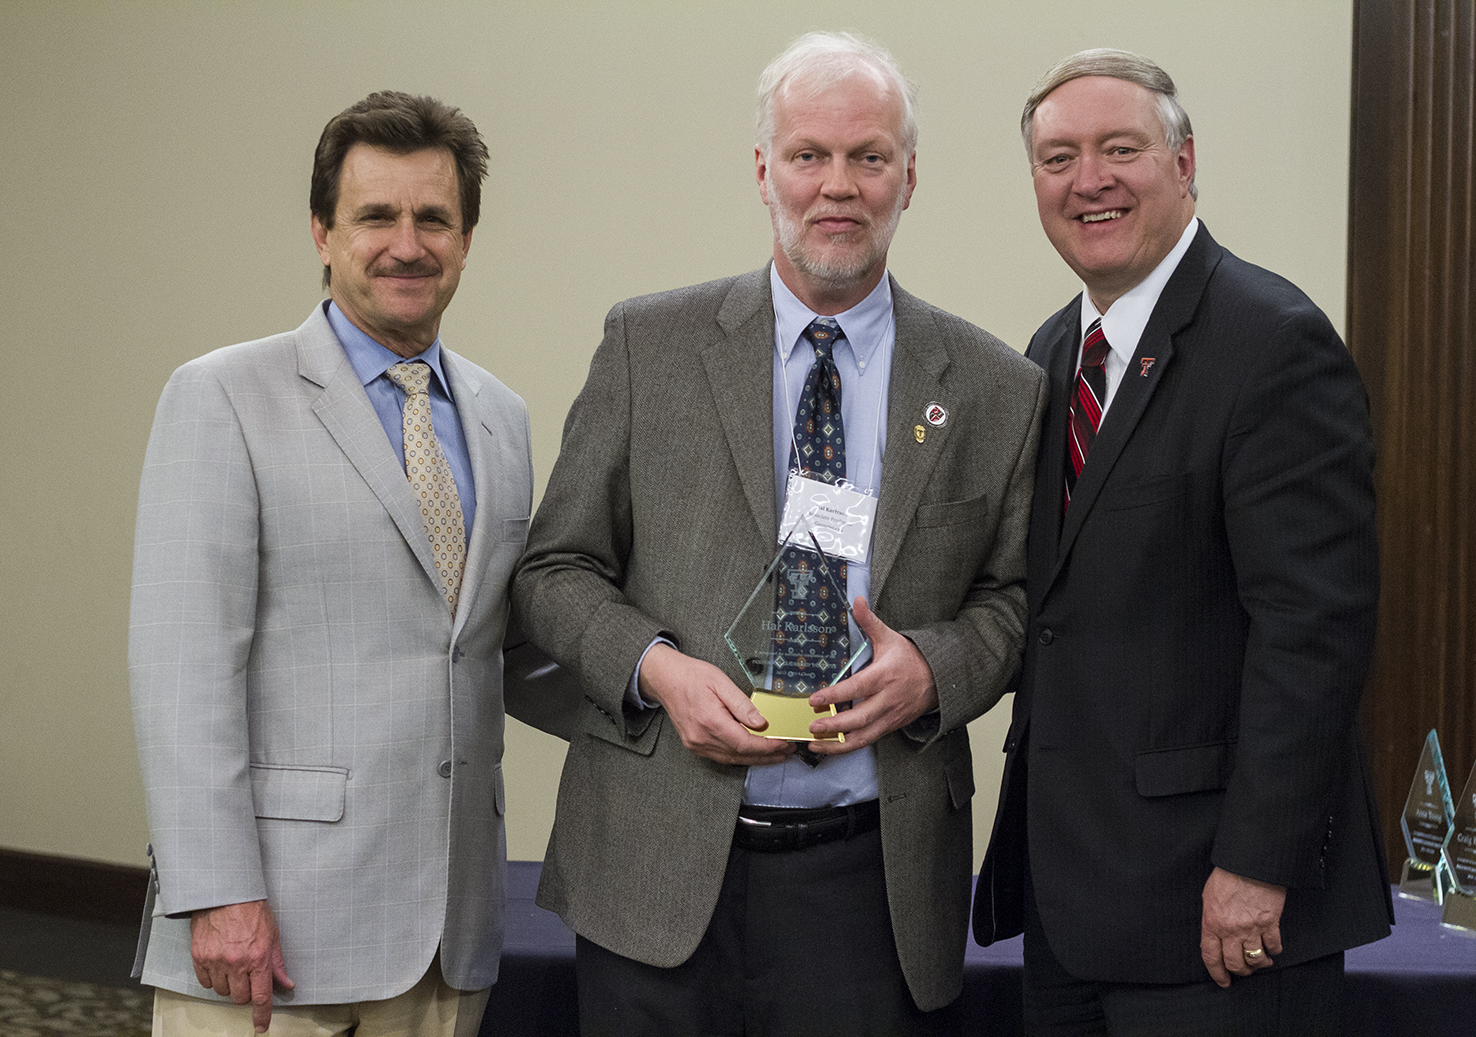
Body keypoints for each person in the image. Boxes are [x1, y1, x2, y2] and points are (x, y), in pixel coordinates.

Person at [512, 31, 1046, 1035]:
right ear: (764, 171)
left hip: (869, 881)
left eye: (868, 157)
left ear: (908, 177)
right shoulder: (648, 344)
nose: (836, 186)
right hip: (655, 865)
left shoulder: (993, 388)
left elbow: (1016, 602)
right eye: (808, 155)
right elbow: (553, 571)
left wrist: (933, 668)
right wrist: (659, 668)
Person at [972, 49, 1393, 1035]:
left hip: (1219, 913)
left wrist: (1256, 864)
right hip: (1072, 906)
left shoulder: (1271, 340)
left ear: (1184, 161)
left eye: (1120, 148)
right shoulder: (1050, 350)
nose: (1089, 180)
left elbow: (1311, 628)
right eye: (1058, 157)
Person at [129, 91, 539, 1037]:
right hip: (268, 938)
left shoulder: (499, 418)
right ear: (321, 230)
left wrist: (664, 675)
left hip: (446, 934)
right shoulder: (223, 396)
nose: (407, 243)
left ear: (466, 239)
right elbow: (182, 669)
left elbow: (495, 646)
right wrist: (217, 891)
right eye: (375, 216)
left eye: (433, 217)